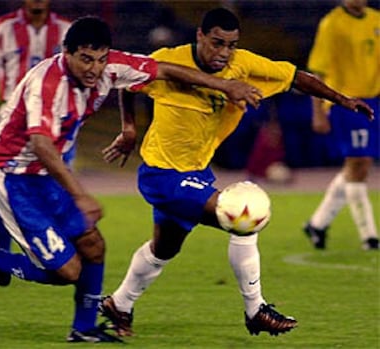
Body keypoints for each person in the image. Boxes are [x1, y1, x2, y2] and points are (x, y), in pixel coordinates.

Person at [0, 15, 263, 343]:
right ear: (65, 53)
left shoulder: (111, 67)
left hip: (48, 177)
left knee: (94, 248)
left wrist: (224, 85)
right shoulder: (48, 84)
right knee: (68, 272)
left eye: (100, 59)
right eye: (85, 59)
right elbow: (42, 146)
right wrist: (81, 194)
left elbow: (165, 69)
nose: (94, 69)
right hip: (15, 180)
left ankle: (83, 328)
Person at [100, 7, 374, 338]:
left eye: (231, 45)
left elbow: (293, 77)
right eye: (217, 43)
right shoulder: (168, 58)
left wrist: (341, 99)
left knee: (164, 249)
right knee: (242, 213)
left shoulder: (243, 64)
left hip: (196, 172)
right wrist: (129, 129)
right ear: (200, 35)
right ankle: (255, 309)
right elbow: (128, 83)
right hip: (161, 174)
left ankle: (120, 303)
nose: (224, 53)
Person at [0, 0, 71, 251]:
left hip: (55, 123)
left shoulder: (66, 30)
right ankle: (2, 251)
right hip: (14, 122)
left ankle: (55, 251)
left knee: (55, 191)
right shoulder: (4, 27)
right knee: (7, 189)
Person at [303, 0, 379, 250]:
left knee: (355, 165)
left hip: (372, 100)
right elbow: (318, 72)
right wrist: (318, 112)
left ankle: (317, 223)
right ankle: (369, 235)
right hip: (345, 102)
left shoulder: (375, 20)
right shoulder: (332, 24)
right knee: (360, 163)